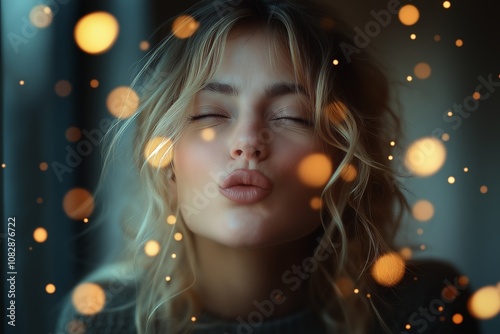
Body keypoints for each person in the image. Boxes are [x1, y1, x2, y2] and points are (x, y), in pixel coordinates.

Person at [56, 0, 480, 333]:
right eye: (209, 114)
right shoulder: (103, 318)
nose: (246, 144)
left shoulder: (423, 307)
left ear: (344, 162)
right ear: (166, 163)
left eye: (292, 116)